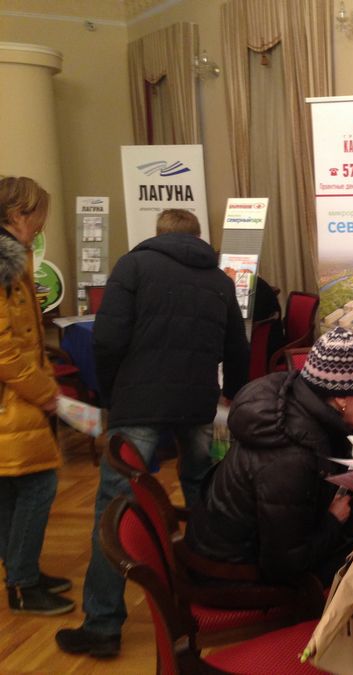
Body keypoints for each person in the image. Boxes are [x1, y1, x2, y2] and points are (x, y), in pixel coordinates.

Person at [56, 208, 249, 658]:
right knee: (203, 492)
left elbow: (107, 339)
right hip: (199, 403)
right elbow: (236, 349)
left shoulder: (132, 266)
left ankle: (103, 624)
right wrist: (232, 396)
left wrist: (112, 393)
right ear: (198, 237)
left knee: (116, 506)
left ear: (158, 233)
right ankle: (206, 589)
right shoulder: (219, 280)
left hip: (139, 403)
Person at [185, 326, 353, 587]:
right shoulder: (290, 459)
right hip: (230, 574)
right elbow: (284, 565)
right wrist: (333, 521)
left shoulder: (299, 400)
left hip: (235, 546)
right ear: (342, 398)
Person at [0, 176, 74, 616]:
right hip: (13, 400)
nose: (42, 226)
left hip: (16, 398)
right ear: (17, 215)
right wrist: (45, 392)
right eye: (38, 217)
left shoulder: (14, 259)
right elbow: (5, 351)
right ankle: (23, 584)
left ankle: (20, 573)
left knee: (13, 489)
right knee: (37, 486)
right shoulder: (5, 266)